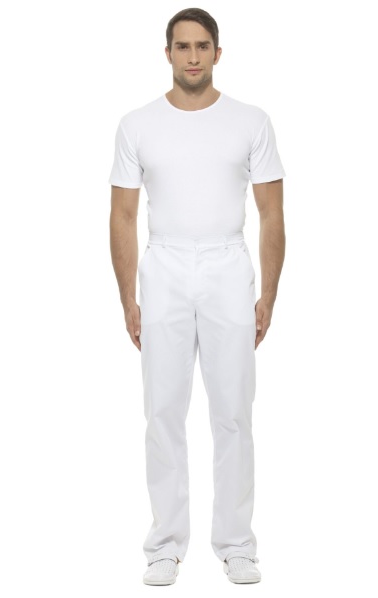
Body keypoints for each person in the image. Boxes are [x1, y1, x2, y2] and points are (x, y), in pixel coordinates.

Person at [108, 7, 286, 586]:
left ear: (217, 53)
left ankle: (237, 544)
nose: (192, 56)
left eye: (202, 46)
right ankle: (165, 545)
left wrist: (269, 293)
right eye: (182, 46)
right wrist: (128, 298)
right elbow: (123, 215)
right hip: (163, 265)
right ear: (167, 53)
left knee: (233, 411)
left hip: (227, 264)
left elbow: (271, 212)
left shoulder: (251, 121)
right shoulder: (137, 124)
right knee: (163, 410)